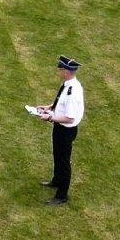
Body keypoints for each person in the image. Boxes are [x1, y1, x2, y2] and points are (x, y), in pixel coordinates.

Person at [37, 56, 85, 205]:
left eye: (61, 69)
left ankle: (62, 195)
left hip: (65, 131)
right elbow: (61, 101)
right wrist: (50, 107)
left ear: (66, 71)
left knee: (63, 161)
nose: (59, 71)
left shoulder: (72, 91)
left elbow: (69, 118)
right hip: (60, 129)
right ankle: (57, 180)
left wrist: (50, 118)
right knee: (57, 155)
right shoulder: (69, 84)